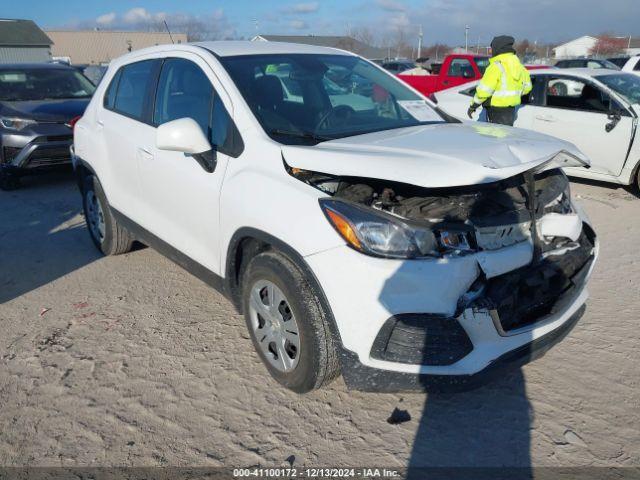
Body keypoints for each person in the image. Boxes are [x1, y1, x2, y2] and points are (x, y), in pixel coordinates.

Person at [468, 35, 532, 126]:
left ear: (498, 48)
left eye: (492, 48)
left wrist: (473, 106)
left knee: (495, 138)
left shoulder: (496, 66)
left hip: (496, 112)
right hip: (511, 111)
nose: (491, 50)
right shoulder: (519, 66)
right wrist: (514, 95)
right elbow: (527, 87)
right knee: (505, 138)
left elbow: (483, 91)